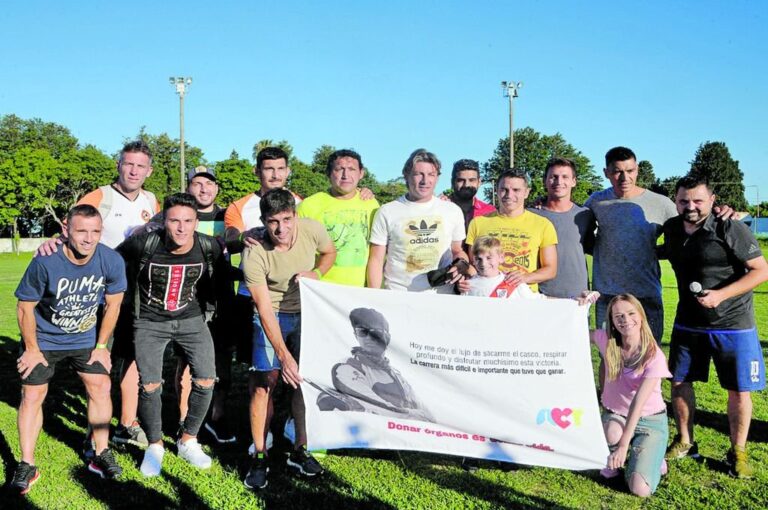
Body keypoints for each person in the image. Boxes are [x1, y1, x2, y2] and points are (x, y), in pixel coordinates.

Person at [36, 140, 160, 449]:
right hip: (96, 293)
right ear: (118, 164)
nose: (133, 171)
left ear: (149, 171)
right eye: (128, 164)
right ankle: (95, 433)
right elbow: (72, 229)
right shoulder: (100, 196)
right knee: (97, 358)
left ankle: (126, 423)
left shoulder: (151, 200)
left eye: (140, 166)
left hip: (136, 292)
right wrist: (51, 241)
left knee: (132, 357)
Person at [12, 205, 127, 493]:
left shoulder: (111, 259)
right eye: (82, 231)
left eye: (95, 231)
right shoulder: (46, 262)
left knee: (100, 386)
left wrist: (101, 346)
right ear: (66, 231)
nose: (89, 239)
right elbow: (25, 307)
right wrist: (31, 349)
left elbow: (113, 305)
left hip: (85, 338)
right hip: (44, 339)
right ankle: (27, 463)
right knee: (32, 394)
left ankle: (100, 454)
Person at [662, 175, 768, 478]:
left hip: (734, 325)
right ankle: (685, 441)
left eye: (698, 200)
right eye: (684, 200)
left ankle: (738, 451)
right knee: (679, 382)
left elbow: (761, 271)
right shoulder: (671, 229)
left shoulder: (729, 227)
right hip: (688, 324)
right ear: (676, 201)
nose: (690, 206)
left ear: (712, 200)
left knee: (738, 390)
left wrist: (721, 294)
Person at [116, 193, 226, 477]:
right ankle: (154, 445)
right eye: (174, 220)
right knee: (150, 385)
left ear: (196, 222)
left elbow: (222, 275)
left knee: (205, 378)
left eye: (188, 221)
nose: (181, 227)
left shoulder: (207, 245)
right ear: (163, 220)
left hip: (191, 319)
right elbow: (109, 259)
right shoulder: (144, 243)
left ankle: (188, 439)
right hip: (149, 322)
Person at [242, 188, 336, 490]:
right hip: (273, 313)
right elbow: (264, 309)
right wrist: (283, 357)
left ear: (296, 216)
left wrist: (317, 272)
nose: (281, 229)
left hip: (309, 309)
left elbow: (329, 252)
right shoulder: (254, 253)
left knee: (303, 382)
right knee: (264, 383)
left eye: (286, 220)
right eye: (273, 222)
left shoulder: (312, 229)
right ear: (263, 221)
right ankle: (259, 453)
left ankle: (300, 449)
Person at [167, 167, 237, 445]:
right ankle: (184, 419)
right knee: (185, 362)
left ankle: (217, 417)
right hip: (187, 302)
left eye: (209, 184)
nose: (203, 189)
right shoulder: (175, 216)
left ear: (217, 189)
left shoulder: (229, 217)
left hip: (222, 300)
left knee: (222, 362)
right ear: (188, 187)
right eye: (197, 184)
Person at [585, 147, 677, 340]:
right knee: (609, 358)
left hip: (646, 295)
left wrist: (653, 252)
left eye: (630, 171)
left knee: (649, 358)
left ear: (637, 170)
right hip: (607, 296)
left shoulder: (661, 203)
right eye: (617, 171)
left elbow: (684, 238)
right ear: (606, 173)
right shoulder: (596, 201)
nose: (624, 177)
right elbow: (579, 233)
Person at [592, 294, 671, 497]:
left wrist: (624, 446)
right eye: (618, 316)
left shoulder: (654, 356)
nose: (625, 320)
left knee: (640, 489)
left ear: (641, 316)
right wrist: (581, 304)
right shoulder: (606, 341)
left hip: (649, 421)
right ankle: (630, 453)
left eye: (630, 313)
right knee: (612, 434)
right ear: (612, 321)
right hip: (616, 415)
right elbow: (573, 328)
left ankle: (651, 454)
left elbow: (638, 403)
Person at [367, 148, 468, 293]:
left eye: (431, 174)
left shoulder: (452, 210)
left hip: (442, 295)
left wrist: (462, 263)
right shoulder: (387, 211)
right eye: (418, 174)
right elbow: (376, 260)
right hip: (399, 295)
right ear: (406, 175)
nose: (425, 180)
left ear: (437, 177)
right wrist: (374, 296)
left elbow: (457, 250)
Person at [314, 308, 435, 421]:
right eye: (362, 332)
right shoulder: (345, 368)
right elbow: (374, 405)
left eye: (375, 332)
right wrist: (413, 416)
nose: (368, 338)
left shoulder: (396, 373)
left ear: (387, 337)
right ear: (355, 335)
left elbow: (425, 410)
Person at [297, 149, 380, 287]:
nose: (345, 175)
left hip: (360, 289)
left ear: (361, 173)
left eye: (352, 169)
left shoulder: (371, 203)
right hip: (321, 288)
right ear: (329, 173)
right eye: (339, 169)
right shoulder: (308, 205)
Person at [466, 170, 558, 293]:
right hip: (486, 295)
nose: (509, 195)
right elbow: (472, 263)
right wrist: (470, 281)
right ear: (497, 191)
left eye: (516, 190)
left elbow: (550, 269)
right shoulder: (478, 223)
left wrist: (524, 277)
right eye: (504, 189)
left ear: (526, 192)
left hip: (523, 298)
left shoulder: (543, 224)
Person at [530, 158, 594, 298]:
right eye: (554, 177)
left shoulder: (585, 214)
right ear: (545, 181)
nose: (559, 182)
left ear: (574, 181)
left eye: (565, 177)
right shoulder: (530, 214)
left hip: (578, 294)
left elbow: (594, 247)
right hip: (539, 294)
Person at [465, 236, 544, 300]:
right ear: (473, 260)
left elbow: (539, 301)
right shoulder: (467, 285)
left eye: (489, 258)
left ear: (501, 258)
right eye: (478, 259)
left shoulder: (513, 282)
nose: (483, 263)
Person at [448, 159, 495, 231]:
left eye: (472, 180)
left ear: (479, 182)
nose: (466, 185)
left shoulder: (490, 212)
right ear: (452, 182)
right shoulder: (442, 208)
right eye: (461, 180)